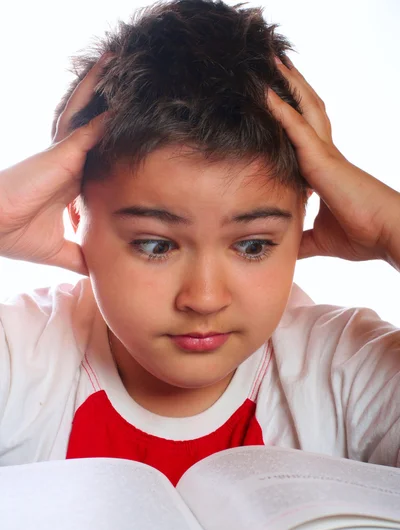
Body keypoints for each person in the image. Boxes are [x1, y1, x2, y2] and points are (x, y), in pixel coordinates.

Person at [0, 0, 399, 487]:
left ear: (302, 217)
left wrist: (390, 229)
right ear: (74, 211)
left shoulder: (345, 369)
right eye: (155, 245)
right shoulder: (20, 358)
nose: (205, 299)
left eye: (253, 246)